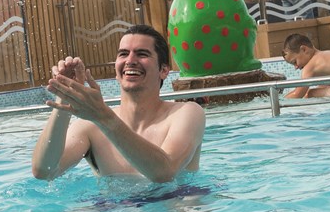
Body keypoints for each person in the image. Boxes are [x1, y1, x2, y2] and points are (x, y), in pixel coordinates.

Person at [31, 24, 205, 183]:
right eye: (123, 54)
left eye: (142, 54)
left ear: (164, 70)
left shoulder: (186, 113)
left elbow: (165, 173)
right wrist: (65, 96)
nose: (130, 60)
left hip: (174, 209)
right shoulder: (90, 127)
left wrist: (104, 117)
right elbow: (44, 172)